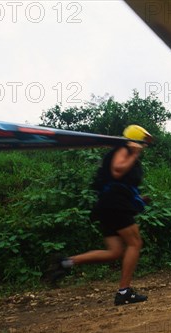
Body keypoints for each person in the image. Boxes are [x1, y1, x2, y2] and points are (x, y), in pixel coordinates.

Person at [44, 125, 153, 306]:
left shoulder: (125, 152)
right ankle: (124, 292)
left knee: (115, 251)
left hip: (108, 205)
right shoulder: (123, 150)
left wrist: (139, 198)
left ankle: (66, 262)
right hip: (115, 205)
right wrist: (133, 154)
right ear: (137, 140)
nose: (145, 146)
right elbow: (117, 171)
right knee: (135, 243)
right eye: (144, 142)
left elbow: (118, 183)